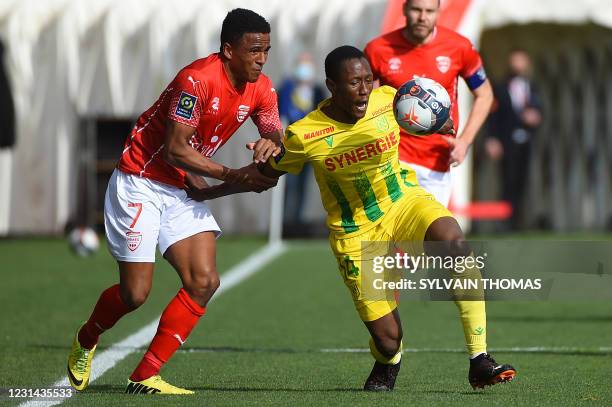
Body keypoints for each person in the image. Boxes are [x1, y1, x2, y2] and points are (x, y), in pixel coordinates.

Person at [190, 46, 515, 391]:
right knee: (389, 340)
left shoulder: (388, 99)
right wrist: (209, 191)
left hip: (402, 201)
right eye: (353, 83)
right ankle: (388, 360)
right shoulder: (305, 134)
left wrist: (441, 121)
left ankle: (479, 359)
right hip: (355, 232)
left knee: (456, 246)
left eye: (366, 80)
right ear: (332, 85)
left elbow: (427, 116)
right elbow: (261, 177)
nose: (363, 90)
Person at [66, 8, 282, 395]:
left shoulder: (263, 88)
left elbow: (273, 133)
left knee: (204, 280)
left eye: (266, 50)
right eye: (254, 50)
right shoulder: (196, 80)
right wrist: (234, 176)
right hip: (140, 182)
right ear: (228, 50)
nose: (261, 58)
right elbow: (176, 150)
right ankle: (86, 339)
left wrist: (273, 145)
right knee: (135, 294)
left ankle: (145, 375)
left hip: (180, 189)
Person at [364, 0, 493, 207]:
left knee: (433, 237)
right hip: (392, 158)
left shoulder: (459, 47)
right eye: (416, 10)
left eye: (429, 11)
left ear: (438, 12)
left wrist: (465, 141)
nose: (423, 17)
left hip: (436, 160)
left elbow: (485, 95)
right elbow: (362, 101)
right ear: (405, 9)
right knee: (393, 237)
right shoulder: (378, 49)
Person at [485, 49, 542, 230]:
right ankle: (505, 221)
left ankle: (519, 219)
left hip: (526, 140)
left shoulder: (532, 87)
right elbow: (492, 115)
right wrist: (492, 138)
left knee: (523, 180)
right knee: (507, 179)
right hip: (506, 140)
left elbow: (540, 109)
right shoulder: (500, 87)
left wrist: (535, 116)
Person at [278, 53, 325, 230]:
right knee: (288, 185)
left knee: (303, 185)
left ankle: (296, 222)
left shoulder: (318, 90)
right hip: (290, 145)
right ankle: (284, 223)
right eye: (302, 64)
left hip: (311, 146)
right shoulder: (287, 87)